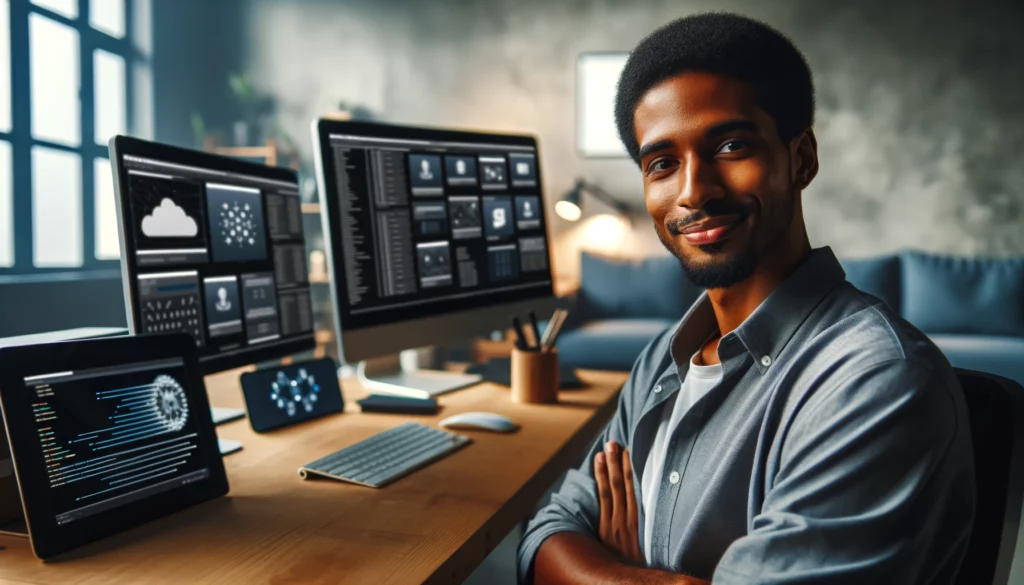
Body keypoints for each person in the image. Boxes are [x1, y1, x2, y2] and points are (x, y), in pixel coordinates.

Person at [518, 12, 975, 585]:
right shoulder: (666, 357)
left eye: (731, 145)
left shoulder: (873, 381)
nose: (693, 191)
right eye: (662, 163)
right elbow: (545, 533)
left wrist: (612, 568)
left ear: (801, 158)